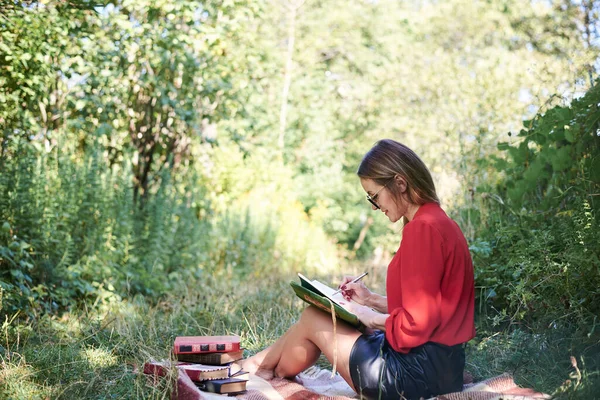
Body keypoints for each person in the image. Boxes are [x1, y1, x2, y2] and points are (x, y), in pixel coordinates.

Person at [241, 139, 475, 399]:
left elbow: (415, 326)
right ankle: (262, 367)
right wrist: (370, 299)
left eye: (375, 196)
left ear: (400, 183)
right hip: (440, 370)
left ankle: (260, 369)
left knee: (314, 317)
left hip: (409, 377)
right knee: (317, 319)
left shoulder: (423, 230)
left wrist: (363, 313)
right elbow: (430, 311)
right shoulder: (436, 222)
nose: (374, 207)